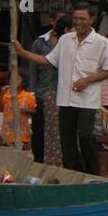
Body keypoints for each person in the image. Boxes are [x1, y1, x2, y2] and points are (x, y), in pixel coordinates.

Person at [15, 3, 108, 175]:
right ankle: (72, 173)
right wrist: (22, 52)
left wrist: (88, 80)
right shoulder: (65, 40)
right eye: (76, 18)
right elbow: (48, 61)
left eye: (83, 18)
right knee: (67, 140)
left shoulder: (101, 42)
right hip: (65, 98)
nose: (78, 22)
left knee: (85, 136)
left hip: (87, 100)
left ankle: (92, 173)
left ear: (91, 19)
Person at [29, 14, 70, 165]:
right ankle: (38, 161)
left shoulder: (69, 42)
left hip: (62, 94)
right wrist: (32, 92)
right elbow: (33, 70)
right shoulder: (40, 43)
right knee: (39, 130)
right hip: (42, 92)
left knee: (58, 132)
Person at [0, 75, 36, 148]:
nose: (14, 81)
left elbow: (34, 111)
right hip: (8, 133)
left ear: (23, 82)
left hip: (22, 134)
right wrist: (2, 93)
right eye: (11, 79)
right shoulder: (6, 95)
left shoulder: (28, 96)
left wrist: (25, 110)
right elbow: (0, 106)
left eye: (18, 79)